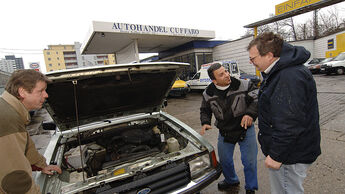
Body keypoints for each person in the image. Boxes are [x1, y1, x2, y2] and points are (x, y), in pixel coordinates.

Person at [247, 32, 321, 194]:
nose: (251, 62)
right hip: (291, 151)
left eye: (253, 58)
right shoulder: (279, 71)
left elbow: (290, 122)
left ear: (269, 55)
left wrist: (276, 155)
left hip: (289, 155)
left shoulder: (287, 76)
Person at [200, 63, 259, 194]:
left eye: (226, 71)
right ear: (214, 80)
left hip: (245, 129)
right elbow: (205, 110)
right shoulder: (207, 93)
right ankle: (231, 180)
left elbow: (257, 99)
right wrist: (205, 122)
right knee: (225, 161)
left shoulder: (245, 84)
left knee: (249, 162)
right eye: (221, 74)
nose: (227, 75)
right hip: (225, 131)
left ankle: (251, 187)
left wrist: (250, 114)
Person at [0, 69, 62, 194]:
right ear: (22, 92)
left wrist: (41, 165)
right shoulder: (7, 118)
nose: (46, 95)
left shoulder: (11, 111)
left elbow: (27, 146)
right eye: (40, 91)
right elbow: (15, 178)